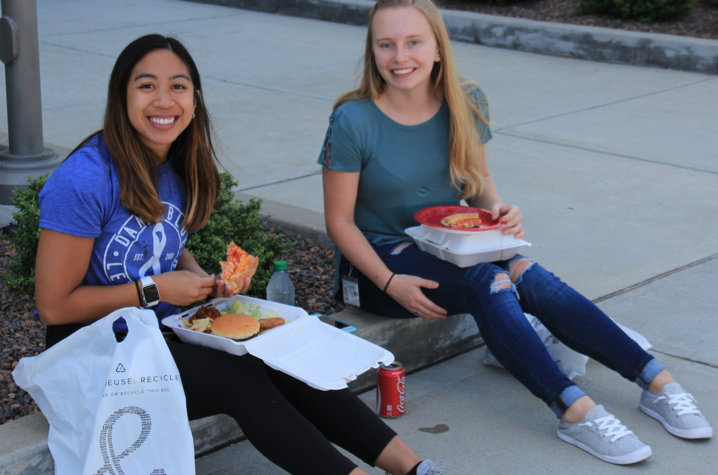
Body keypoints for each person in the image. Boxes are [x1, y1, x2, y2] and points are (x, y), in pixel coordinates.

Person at [319, 0, 713, 466]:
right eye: (386, 44)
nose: (399, 56)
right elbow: (339, 222)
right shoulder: (354, 119)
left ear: (438, 49)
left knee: (528, 271)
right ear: (373, 50)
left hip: (450, 246)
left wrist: (499, 213)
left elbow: (478, 185)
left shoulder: (466, 102)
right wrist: (388, 281)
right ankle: (574, 411)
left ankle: (657, 381)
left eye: (413, 42)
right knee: (493, 281)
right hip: (382, 264)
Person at [35, 34, 446, 475]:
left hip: (150, 338)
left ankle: (415, 468)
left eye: (178, 86)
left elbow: (162, 243)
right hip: (88, 356)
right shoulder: (84, 179)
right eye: (146, 85)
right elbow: (54, 307)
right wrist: (153, 290)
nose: (163, 100)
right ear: (122, 96)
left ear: (195, 99)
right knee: (238, 375)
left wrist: (206, 282)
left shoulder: (176, 165)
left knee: (278, 352)